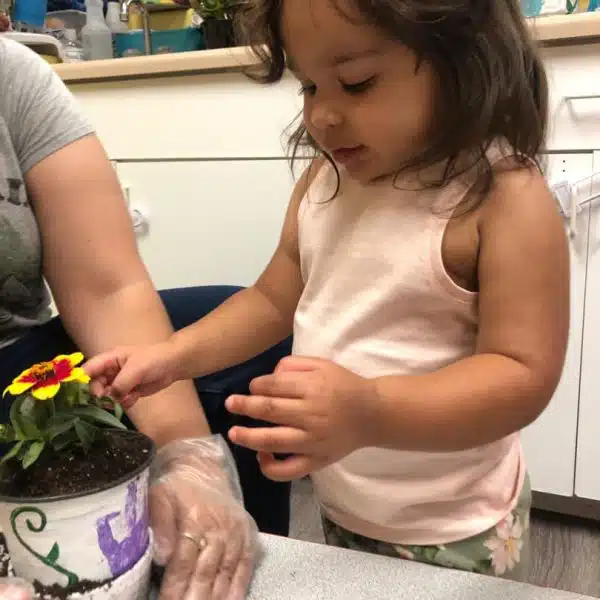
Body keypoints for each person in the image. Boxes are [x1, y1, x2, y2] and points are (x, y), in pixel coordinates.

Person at [86, 0, 570, 582]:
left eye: (356, 83)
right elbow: (270, 301)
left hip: (456, 527)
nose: (322, 116)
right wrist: (171, 357)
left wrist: (372, 411)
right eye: (310, 86)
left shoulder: (503, 198)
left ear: (463, 58)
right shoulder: (326, 183)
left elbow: (522, 375)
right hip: (347, 507)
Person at [0, 36, 292, 600]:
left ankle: (231, 570)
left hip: (14, 368)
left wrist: (189, 460)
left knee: (241, 338)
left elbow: (109, 287)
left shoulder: (12, 74)